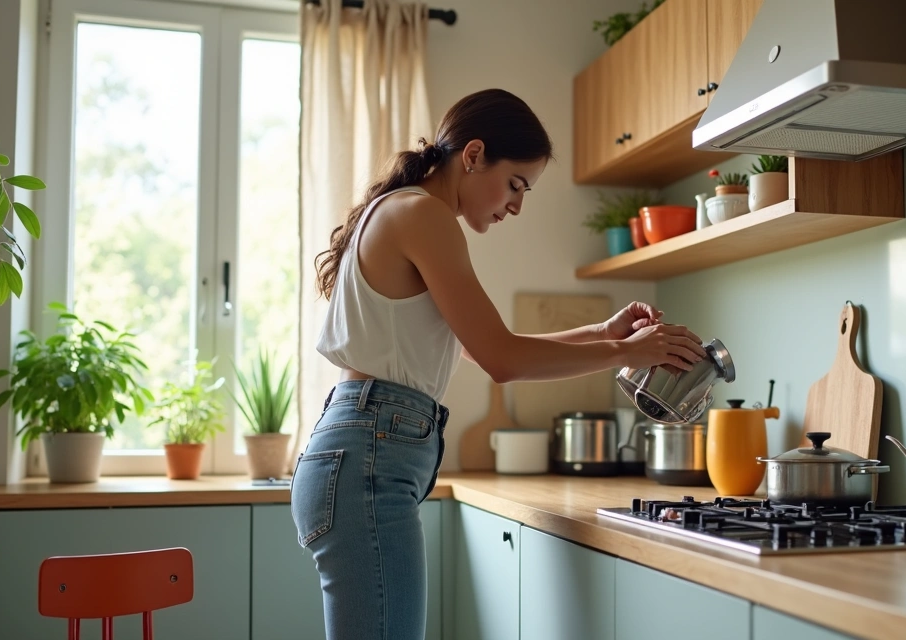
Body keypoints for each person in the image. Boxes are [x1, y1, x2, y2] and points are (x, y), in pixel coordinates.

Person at [290, 88, 705, 640]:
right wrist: (628, 352)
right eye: (516, 184)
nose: (516, 205)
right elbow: (503, 359)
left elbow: (484, 345)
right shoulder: (423, 215)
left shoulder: (408, 212)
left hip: (366, 450)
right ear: (474, 154)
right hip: (370, 455)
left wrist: (602, 334)